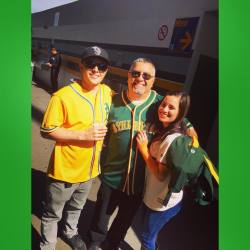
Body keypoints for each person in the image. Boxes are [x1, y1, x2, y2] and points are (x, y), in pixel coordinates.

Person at [87, 59, 196, 250]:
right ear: (128, 76)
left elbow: (184, 122)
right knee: (102, 213)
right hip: (112, 175)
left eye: (146, 75)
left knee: (125, 218)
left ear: (153, 80)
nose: (140, 79)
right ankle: (95, 242)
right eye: (135, 73)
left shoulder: (160, 104)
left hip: (140, 181)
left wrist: (192, 141)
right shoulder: (112, 101)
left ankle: (112, 243)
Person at [40, 46, 112, 250]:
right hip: (65, 170)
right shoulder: (63, 96)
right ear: (82, 67)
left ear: (107, 70)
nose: (96, 70)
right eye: (91, 64)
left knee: (77, 207)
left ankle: (70, 232)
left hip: (90, 170)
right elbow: (46, 130)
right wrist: (83, 135)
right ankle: (48, 245)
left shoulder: (107, 93)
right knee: (53, 213)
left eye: (102, 66)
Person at [136, 91, 192, 250]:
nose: (164, 109)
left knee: (147, 237)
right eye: (163, 104)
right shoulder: (167, 129)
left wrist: (143, 149)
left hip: (163, 202)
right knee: (151, 234)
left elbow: (161, 175)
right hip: (156, 197)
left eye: (171, 107)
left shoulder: (171, 139)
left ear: (180, 112)